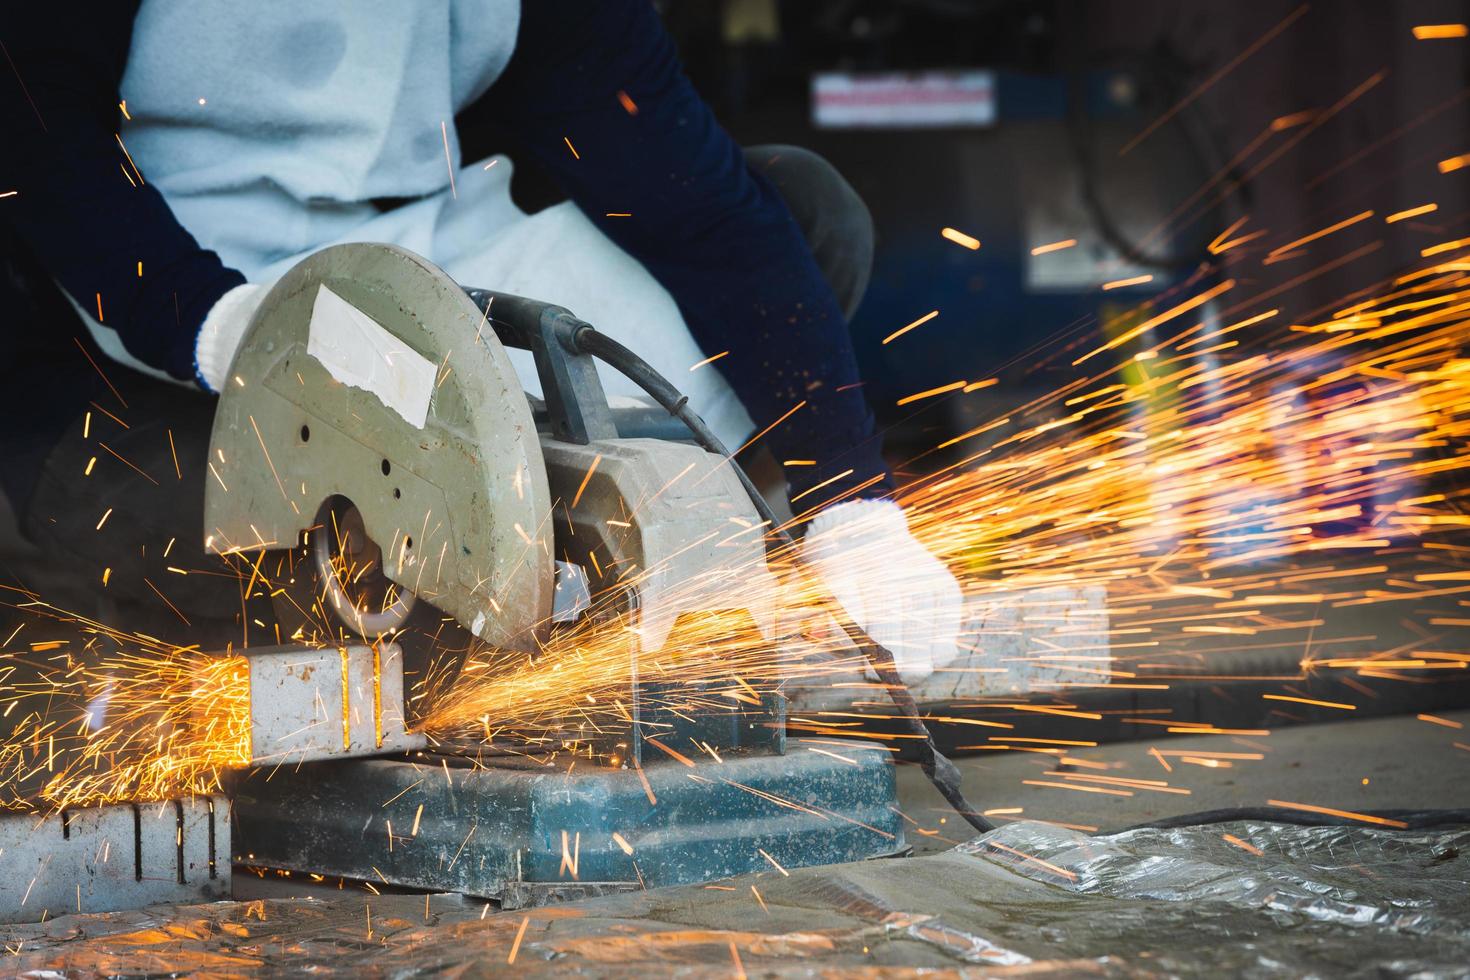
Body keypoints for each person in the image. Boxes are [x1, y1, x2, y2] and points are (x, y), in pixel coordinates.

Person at [0, 0, 962, 682]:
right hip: (147, 286)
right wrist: (215, 323)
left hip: (422, 243)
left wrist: (854, 507)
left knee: (804, 214)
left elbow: (703, 213)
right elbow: (35, 135)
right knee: (284, 589)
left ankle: (557, 558)